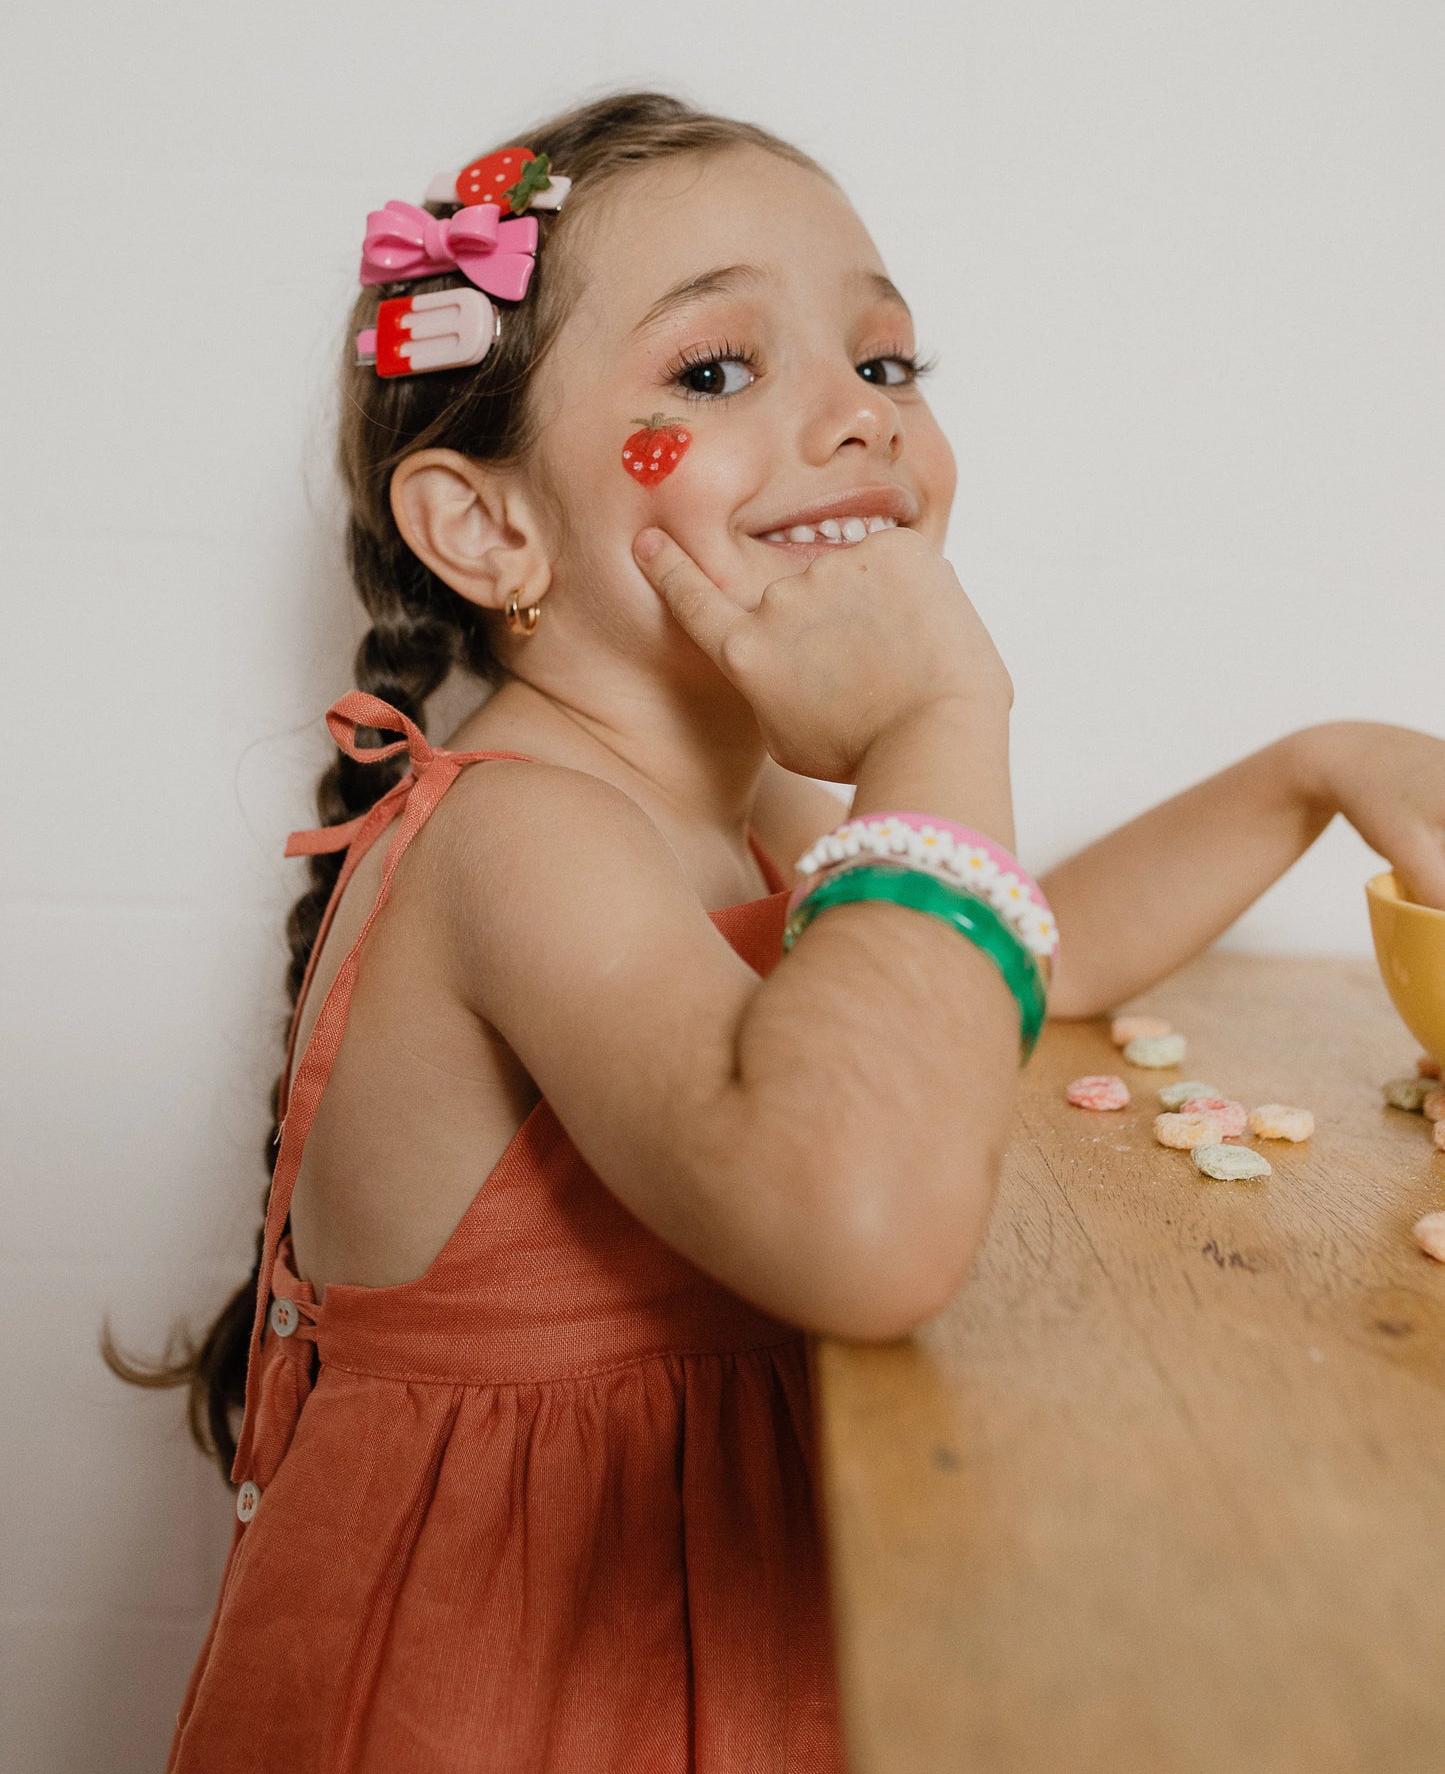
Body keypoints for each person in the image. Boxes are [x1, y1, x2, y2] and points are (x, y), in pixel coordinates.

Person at [116, 90, 1445, 1772]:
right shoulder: (522, 837)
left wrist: (1302, 775)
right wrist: (939, 716)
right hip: (529, 1687)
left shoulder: (737, 818)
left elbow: (1004, 958)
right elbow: (863, 1228)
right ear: (487, 528)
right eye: (716, 371)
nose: (858, 422)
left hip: (721, 1618)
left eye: (884, 366)